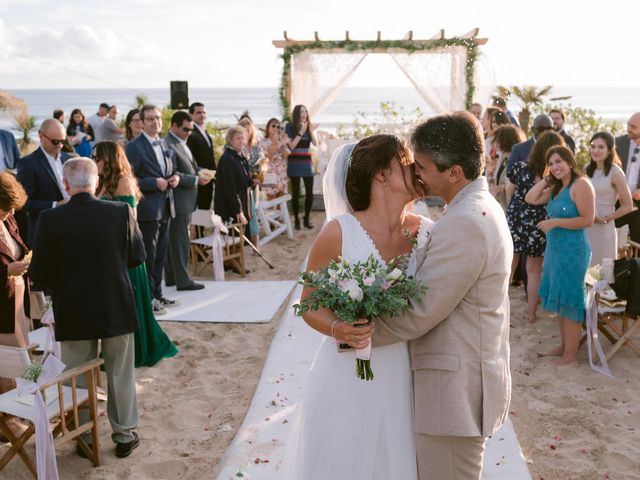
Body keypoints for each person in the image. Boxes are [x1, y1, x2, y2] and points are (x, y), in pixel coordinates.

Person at [278, 134, 430, 480]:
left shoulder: (427, 234)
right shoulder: (338, 233)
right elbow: (309, 303)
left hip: (406, 370)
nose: (418, 170)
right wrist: (339, 328)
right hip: (346, 373)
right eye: (407, 163)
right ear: (382, 174)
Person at [371, 113, 512, 480]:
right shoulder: (473, 207)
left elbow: (421, 310)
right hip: (460, 382)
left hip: (453, 394)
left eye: (422, 166)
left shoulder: (467, 220)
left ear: (454, 173)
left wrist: (358, 333)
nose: (415, 174)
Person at [29, 157, 145, 458]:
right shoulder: (121, 211)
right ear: (96, 183)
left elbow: (39, 273)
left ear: (65, 185)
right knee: (120, 373)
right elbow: (137, 256)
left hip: (74, 308)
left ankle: (86, 436)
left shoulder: (50, 218)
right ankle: (124, 434)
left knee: (78, 376)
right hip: (115, 304)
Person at [94, 141, 179, 366]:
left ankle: (139, 350)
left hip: (125, 248)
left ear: (110, 160)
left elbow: (128, 220)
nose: (95, 163)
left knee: (131, 301)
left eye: (98, 158)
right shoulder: (100, 182)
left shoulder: (124, 182)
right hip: (107, 251)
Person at [525, 146, 595, 366]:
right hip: (555, 250)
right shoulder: (556, 188)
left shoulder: (581, 185)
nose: (555, 167)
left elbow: (587, 220)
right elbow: (530, 198)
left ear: (569, 161)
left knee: (571, 300)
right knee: (561, 299)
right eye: (551, 163)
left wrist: (555, 222)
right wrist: (547, 180)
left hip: (573, 251)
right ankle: (564, 346)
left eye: (558, 162)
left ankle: (570, 355)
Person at [125, 105, 180, 316]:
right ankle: (148, 300)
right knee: (149, 256)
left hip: (166, 206)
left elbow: (171, 168)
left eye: (157, 118)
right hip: (147, 210)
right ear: (141, 122)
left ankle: (158, 294)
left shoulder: (165, 143)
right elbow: (130, 179)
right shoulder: (134, 147)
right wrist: (152, 183)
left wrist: (174, 177)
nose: (154, 122)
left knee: (161, 256)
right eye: (149, 119)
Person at [507, 131, 565, 323]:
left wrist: (513, 209)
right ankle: (531, 314)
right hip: (540, 222)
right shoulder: (555, 176)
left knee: (509, 265)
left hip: (517, 217)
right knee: (534, 270)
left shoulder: (519, 168)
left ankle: (501, 308)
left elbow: (510, 190)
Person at [163, 111, 208, 290]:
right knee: (180, 241)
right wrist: (197, 180)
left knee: (176, 240)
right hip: (178, 200)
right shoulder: (168, 144)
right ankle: (183, 280)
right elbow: (173, 173)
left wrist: (201, 172)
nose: (189, 132)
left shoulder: (182, 142)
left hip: (186, 199)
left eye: (191, 129)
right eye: (185, 129)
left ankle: (173, 278)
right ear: (174, 126)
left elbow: (191, 166)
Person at [17, 118, 73, 246]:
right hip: (43, 233)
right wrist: (55, 205)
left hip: (70, 229)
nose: (59, 145)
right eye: (55, 141)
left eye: (63, 141)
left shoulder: (68, 159)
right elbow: (23, 203)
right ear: (41, 136)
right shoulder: (28, 163)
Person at [585, 132, 633, 265]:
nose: (595, 150)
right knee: (584, 270)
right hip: (586, 227)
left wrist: (607, 217)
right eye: (593, 146)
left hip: (603, 229)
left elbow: (628, 205)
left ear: (609, 150)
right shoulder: (586, 170)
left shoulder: (615, 172)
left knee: (603, 275)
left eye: (601, 147)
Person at [0, 171, 30, 348]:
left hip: (16, 301)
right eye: (6, 207)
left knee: (21, 355)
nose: (12, 212)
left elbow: (17, 248)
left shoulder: (8, 219)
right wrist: (7, 271)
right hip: (2, 305)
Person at [285, 104, 318, 230]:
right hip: (294, 163)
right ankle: (297, 220)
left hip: (306, 164)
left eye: (305, 111)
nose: (304, 114)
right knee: (296, 193)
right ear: (297, 114)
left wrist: (309, 130)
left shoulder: (307, 126)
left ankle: (306, 218)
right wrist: (301, 132)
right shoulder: (290, 126)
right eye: (301, 111)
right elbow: (291, 146)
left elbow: (315, 143)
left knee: (310, 193)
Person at [214, 126, 251, 230]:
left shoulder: (241, 157)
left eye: (243, 138)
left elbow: (244, 181)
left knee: (242, 243)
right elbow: (230, 188)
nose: (241, 141)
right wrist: (238, 211)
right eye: (238, 138)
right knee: (232, 243)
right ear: (230, 140)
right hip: (229, 208)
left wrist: (253, 181)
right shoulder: (227, 159)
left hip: (242, 204)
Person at [237, 117, 264, 247]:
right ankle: (242, 242)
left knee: (253, 214)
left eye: (249, 130)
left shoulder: (255, 145)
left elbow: (261, 161)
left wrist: (258, 174)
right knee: (243, 213)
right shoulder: (236, 145)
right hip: (240, 185)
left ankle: (255, 246)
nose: (246, 133)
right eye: (244, 130)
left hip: (253, 184)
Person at [614, 112, 640, 243]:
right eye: (628, 125)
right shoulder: (616, 143)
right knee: (615, 241)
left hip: (639, 205)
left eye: (633, 127)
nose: (628, 129)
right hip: (617, 203)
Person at [488, 125, 526, 210]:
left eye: (497, 140)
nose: (494, 144)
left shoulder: (517, 162)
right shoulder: (502, 158)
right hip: (499, 205)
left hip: (508, 208)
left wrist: (501, 187)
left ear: (504, 141)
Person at [187, 102, 216, 210]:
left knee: (205, 208)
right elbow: (190, 157)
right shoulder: (190, 133)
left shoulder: (205, 132)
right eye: (198, 112)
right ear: (191, 115)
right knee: (199, 211)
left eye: (204, 112)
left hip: (209, 178)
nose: (202, 115)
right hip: (199, 178)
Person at [260, 118, 289, 199]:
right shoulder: (263, 141)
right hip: (270, 172)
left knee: (282, 200)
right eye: (273, 126)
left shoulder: (281, 139)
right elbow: (269, 158)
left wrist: (283, 145)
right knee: (271, 200)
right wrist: (275, 143)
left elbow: (285, 156)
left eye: (278, 127)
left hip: (281, 172)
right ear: (268, 127)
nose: (276, 128)